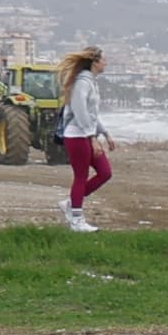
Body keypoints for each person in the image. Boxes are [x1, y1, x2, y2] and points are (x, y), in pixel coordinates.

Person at [55, 45, 117, 230]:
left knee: (105, 173)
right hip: (76, 135)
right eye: (104, 59)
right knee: (81, 176)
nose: (106, 63)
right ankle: (76, 220)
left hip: (87, 135)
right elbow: (79, 111)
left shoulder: (91, 82)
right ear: (94, 62)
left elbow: (91, 114)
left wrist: (105, 133)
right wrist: (92, 138)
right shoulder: (82, 82)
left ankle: (70, 204)